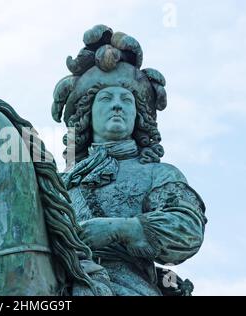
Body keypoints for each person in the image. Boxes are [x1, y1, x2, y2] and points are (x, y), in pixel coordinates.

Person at [51, 25, 207, 296]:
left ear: (138, 116)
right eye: (106, 98)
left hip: (127, 287)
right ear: (87, 113)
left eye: (127, 99)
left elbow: (188, 229)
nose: (117, 105)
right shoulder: (58, 183)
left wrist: (119, 230)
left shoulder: (157, 174)